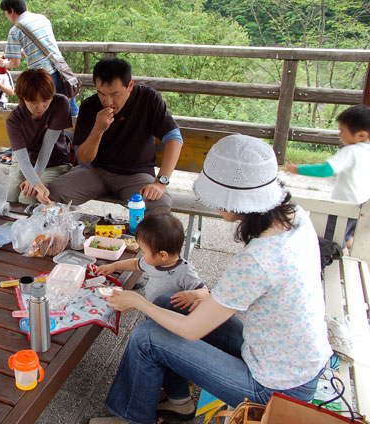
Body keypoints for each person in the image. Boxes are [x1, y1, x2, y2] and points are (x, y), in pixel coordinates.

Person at [90, 134, 332, 424]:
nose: (214, 205)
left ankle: (133, 418)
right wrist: (204, 296)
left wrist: (138, 302)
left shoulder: (257, 259)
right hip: (290, 359)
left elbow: (191, 330)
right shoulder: (295, 216)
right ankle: (179, 402)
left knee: (146, 337)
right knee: (169, 303)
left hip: (274, 388)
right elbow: (260, 288)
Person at [47, 58, 183, 215]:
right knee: (50, 194)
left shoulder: (148, 99)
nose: (107, 101)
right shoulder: (89, 106)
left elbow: (174, 138)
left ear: (130, 85)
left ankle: (139, 232)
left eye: (115, 94)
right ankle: (72, 224)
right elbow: (83, 160)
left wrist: (161, 182)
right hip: (96, 171)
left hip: (136, 175)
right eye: (101, 93)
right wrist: (98, 130)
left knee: (159, 206)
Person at [286, 104, 370, 252]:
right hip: (362, 206)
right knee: (348, 235)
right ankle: (348, 247)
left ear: (361, 135)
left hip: (343, 207)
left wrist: (298, 169)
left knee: (331, 240)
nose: (339, 134)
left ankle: (338, 257)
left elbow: (326, 170)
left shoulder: (351, 151)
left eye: (342, 131)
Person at [95, 214, 208, 306]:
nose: (142, 255)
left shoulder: (185, 272)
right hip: (152, 310)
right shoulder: (154, 262)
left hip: (171, 316)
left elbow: (205, 292)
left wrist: (193, 295)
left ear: (163, 255)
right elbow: (135, 263)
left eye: (144, 251)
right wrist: (114, 266)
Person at [0, 0, 79, 117]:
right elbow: (44, 43)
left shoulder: (15, 30)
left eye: (6, 13)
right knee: (71, 110)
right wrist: (26, 52)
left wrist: (4, 64)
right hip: (61, 68)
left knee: (45, 113)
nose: (7, 17)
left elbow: (15, 63)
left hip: (42, 75)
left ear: (11, 10)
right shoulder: (42, 19)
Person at [6, 69, 72, 204]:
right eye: (34, 102)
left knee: (26, 198)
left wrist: (35, 181)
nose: (41, 107)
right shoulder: (14, 119)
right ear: (23, 98)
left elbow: (48, 145)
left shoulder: (60, 104)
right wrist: (35, 181)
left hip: (54, 162)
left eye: (46, 100)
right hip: (25, 161)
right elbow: (22, 158)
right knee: (9, 195)